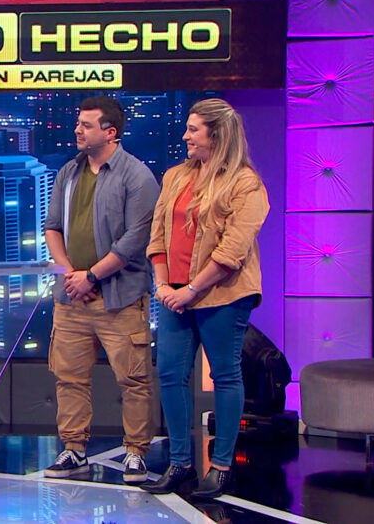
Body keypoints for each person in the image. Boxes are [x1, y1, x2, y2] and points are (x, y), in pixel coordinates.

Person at [140, 98, 269, 498]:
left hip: (222, 294)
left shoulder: (246, 183)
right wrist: (164, 285)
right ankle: (180, 463)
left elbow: (233, 251)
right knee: (170, 373)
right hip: (173, 294)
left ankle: (222, 467)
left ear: (217, 134)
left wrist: (192, 290)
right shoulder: (175, 176)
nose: (185, 136)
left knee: (225, 375)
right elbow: (158, 234)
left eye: (193, 129)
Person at [42, 96, 159, 484]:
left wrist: (90, 277)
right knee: (69, 378)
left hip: (119, 298)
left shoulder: (137, 176)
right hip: (71, 297)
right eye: (78, 123)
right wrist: (70, 274)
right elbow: (52, 227)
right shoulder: (68, 172)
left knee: (133, 380)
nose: (77, 130)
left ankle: (136, 453)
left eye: (86, 125)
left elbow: (134, 240)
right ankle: (74, 449)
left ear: (110, 133)